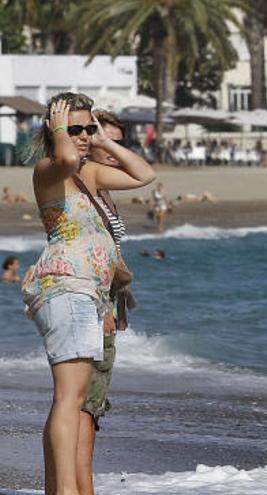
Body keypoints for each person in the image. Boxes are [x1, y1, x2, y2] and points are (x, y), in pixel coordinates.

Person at [21, 92, 155, 495]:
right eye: (75, 129)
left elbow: (143, 174)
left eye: (87, 128)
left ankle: (56, 488)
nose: (82, 136)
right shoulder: (49, 170)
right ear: (55, 129)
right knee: (70, 397)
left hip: (86, 295)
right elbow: (63, 158)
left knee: (70, 397)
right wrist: (61, 130)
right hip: (66, 286)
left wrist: (100, 139)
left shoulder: (90, 172)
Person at [72, 109, 135, 495]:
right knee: (86, 404)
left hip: (105, 301)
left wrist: (121, 293)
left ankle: (76, 485)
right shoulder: (84, 183)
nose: (112, 150)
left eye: (117, 142)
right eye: (103, 141)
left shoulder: (102, 187)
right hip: (94, 305)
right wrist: (103, 307)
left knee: (86, 403)